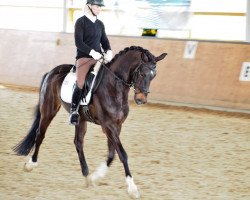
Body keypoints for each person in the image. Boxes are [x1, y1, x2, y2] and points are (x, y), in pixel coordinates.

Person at [69, 0, 112, 125]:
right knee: (81, 83)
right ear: (89, 6)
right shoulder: (80, 22)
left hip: (99, 58)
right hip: (84, 58)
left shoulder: (100, 24)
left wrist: (108, 50)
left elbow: (104, 41)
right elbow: (79, 43)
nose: (99, 9)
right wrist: (92, 52)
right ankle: (74, 111)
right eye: (97, 6)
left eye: (100, 7)